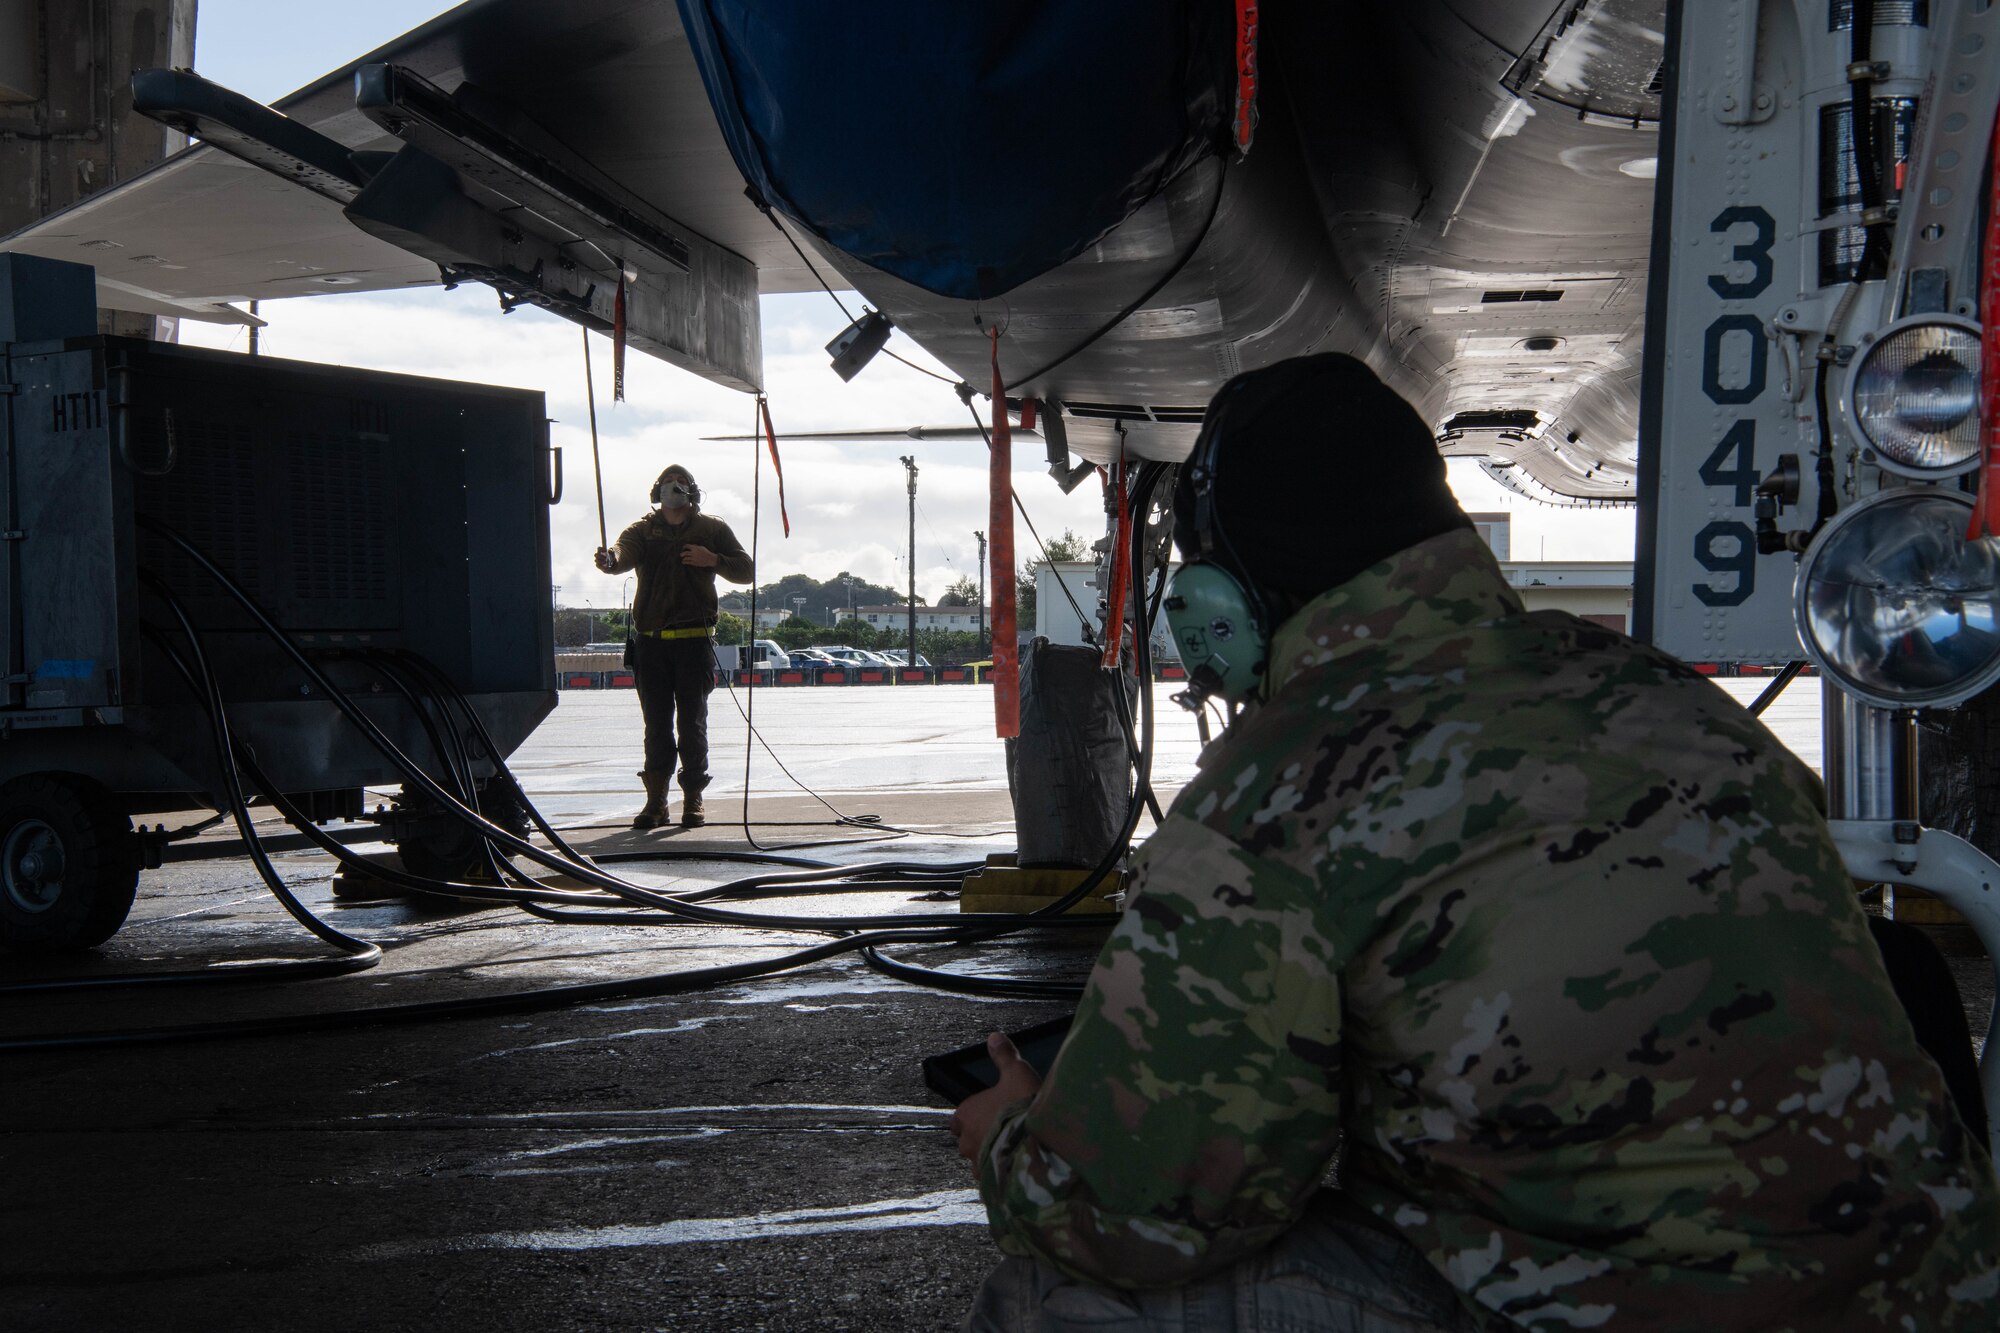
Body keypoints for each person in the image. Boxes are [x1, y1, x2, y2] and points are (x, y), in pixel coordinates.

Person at [951, 355, 1999, 1331]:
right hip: (1934, 1288)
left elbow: (1135, 1217)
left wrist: (1008, 1136)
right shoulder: (1666, 699)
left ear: (1224, 599)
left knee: (1051, 1295)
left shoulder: (1273, 794)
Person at [594, 464, 752, 828]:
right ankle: (656, 803)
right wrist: (610, 560)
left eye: (680, 483)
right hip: (651, 645)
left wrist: (712, 559)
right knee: (656, 725)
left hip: (694, 643)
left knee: (692, 723)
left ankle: (693, 799)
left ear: (692, 491)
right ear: (657, 490)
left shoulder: (712, 529)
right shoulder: (642, 530)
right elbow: (622, 554)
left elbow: (746, 569)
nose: (674, 487)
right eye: (667, 483)